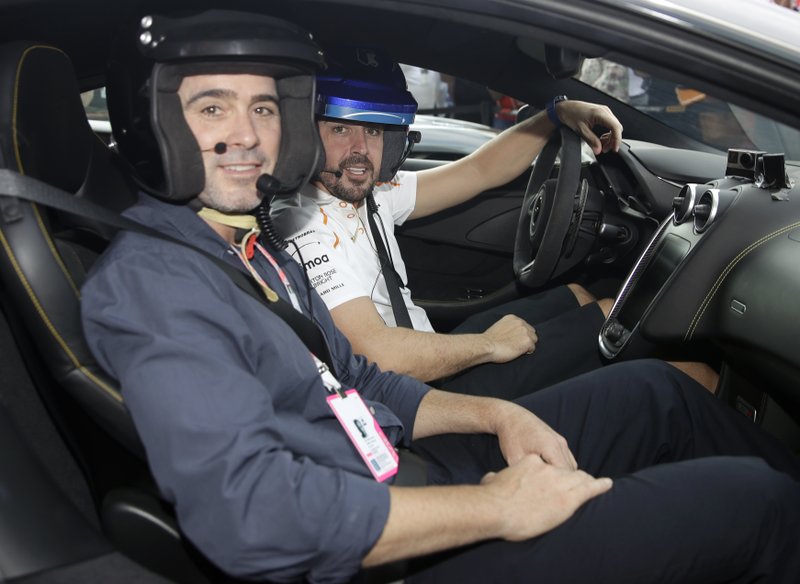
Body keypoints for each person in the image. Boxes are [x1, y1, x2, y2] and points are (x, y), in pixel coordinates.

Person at [81, 10, 800, 583]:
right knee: (755, 503)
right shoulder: (154, 284)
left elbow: (360, 379)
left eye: (265, 109)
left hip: (393, 463)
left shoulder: (248, 246)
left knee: (657, 395)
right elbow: (255, 518)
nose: (247, 135)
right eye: (212, 108)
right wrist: (496, 507)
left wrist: (497, 414)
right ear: (156, 122)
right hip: (384, 551)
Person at [270, 45, 621, 398]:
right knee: (609, 321)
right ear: (306, 135)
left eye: (374, 130)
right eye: (340, 129)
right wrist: (489, 344)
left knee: (578, 296)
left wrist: (555, 114)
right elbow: (379, 353)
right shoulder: (302, 226)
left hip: (425, 350)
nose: (361, 148)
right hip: (411, 392)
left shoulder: (370, 192)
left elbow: (480, 171)